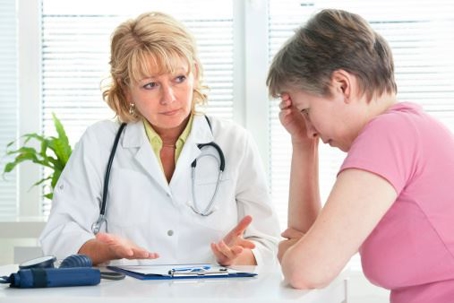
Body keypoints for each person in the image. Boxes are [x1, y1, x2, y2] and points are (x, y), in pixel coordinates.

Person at [40, 11, 280, 267]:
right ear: (126, 88)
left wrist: (237, 257)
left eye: (179, 79)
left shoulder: (233, 142)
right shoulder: (99, 143)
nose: (170, 98)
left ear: (195, 73)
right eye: (150, 85)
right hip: (127, 293)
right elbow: (59, 233)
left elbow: (267, 240)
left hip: (211, 292)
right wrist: (104, 250)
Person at [266, 8, 454, 303]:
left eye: (306, 111)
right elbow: (308, 241)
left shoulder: (390, 133)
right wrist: (303, 146)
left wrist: (293, 253)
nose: (310, 128)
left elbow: (307, 270)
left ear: (342, 85)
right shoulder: (409, 129)